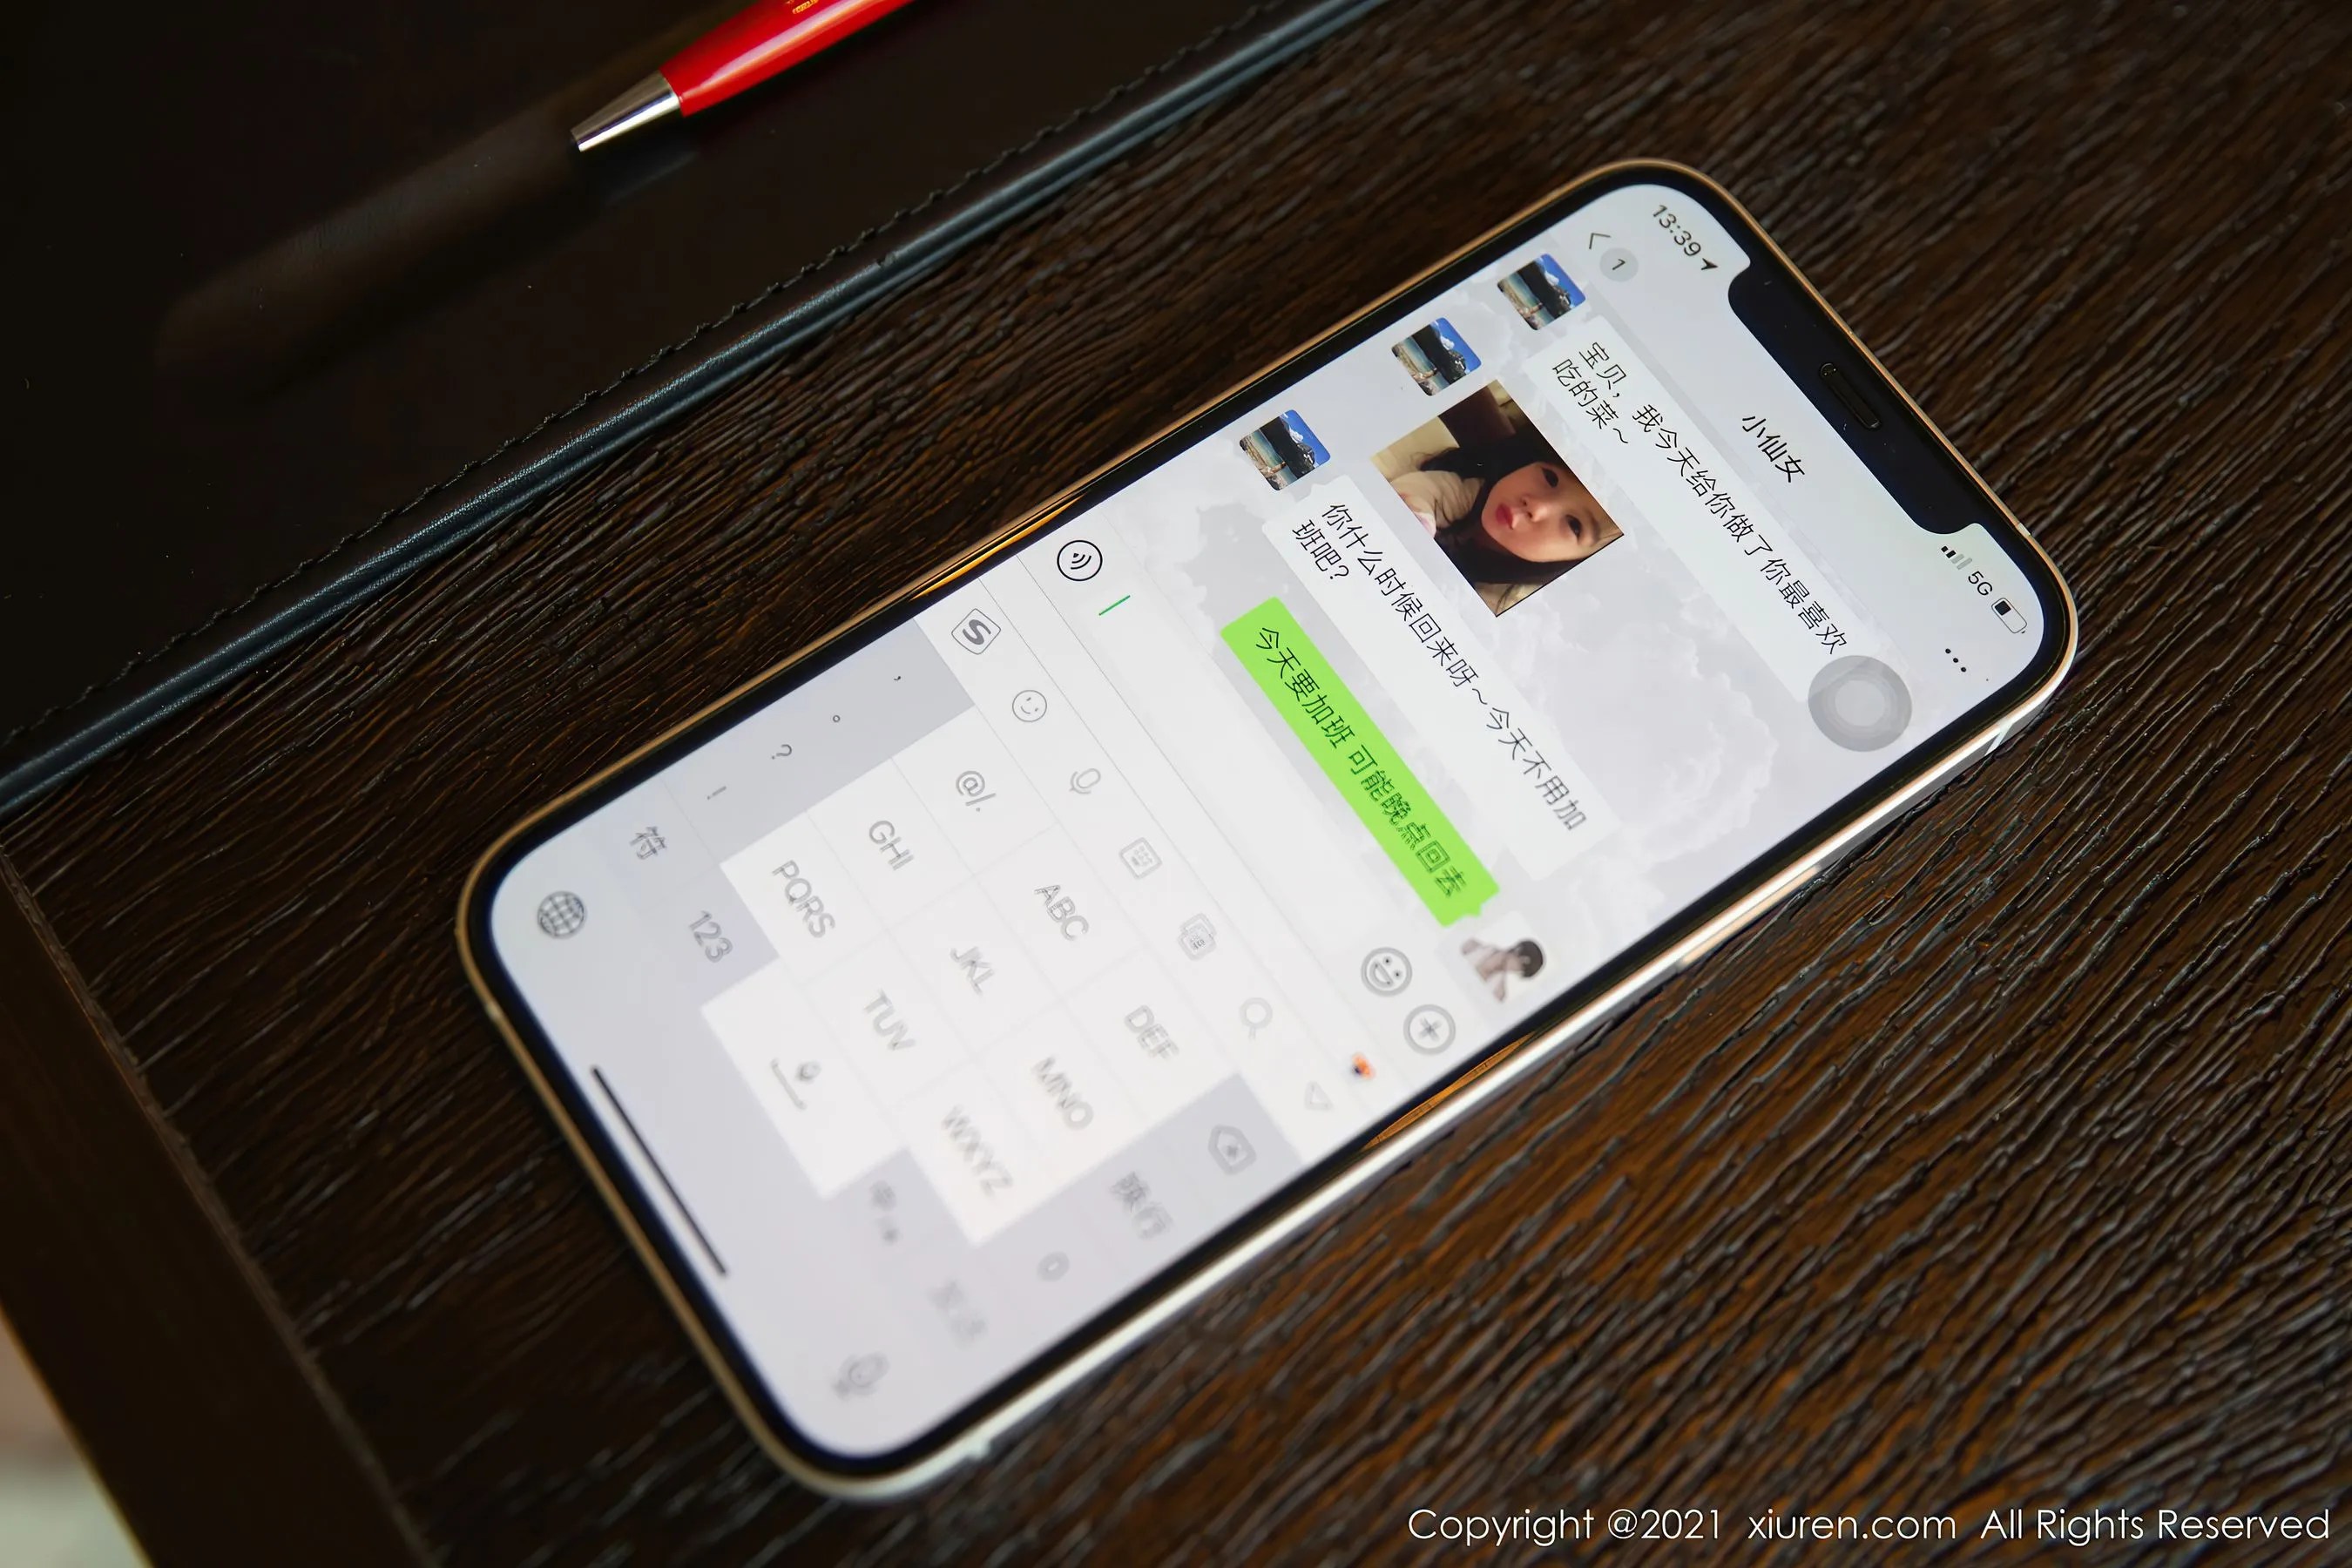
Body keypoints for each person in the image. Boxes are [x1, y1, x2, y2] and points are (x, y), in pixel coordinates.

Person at [1388, 429, 1622, 612]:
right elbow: (1423, 492)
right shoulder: (1473, 491)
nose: (1537, 506)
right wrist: (1416, 524)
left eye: (1574, 525)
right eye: (1550, 478)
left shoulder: (1514, 604)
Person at [1461, 936, 1544, 1001]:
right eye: (1520, 967)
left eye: (1520, 971)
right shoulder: (1471, 946)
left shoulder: (1499, 993)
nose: (1515, 970)